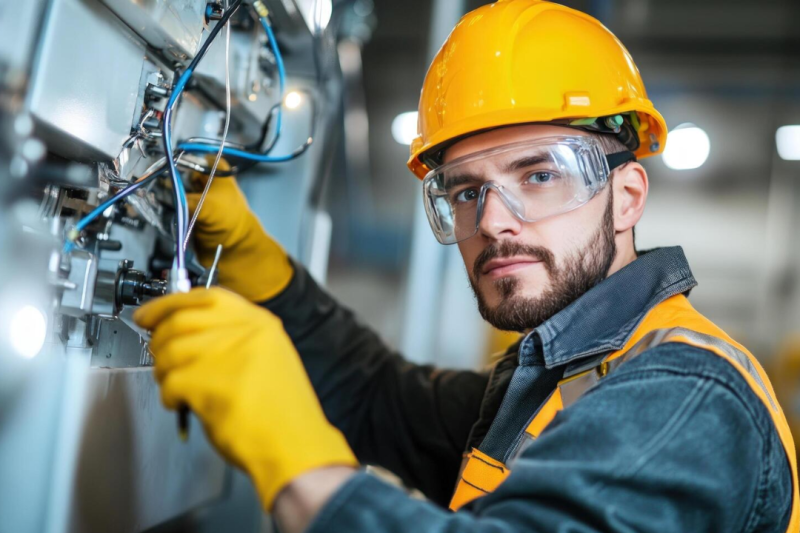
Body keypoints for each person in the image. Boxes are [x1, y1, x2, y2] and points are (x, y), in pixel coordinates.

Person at [134, 1, 799, 531]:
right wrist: (257, 264)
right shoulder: (554, 378)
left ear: (625, 197)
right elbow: (379, 398)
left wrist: (302, 472)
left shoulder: (687, 394)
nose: (492, 221)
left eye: (538, 175)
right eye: (465, 189)